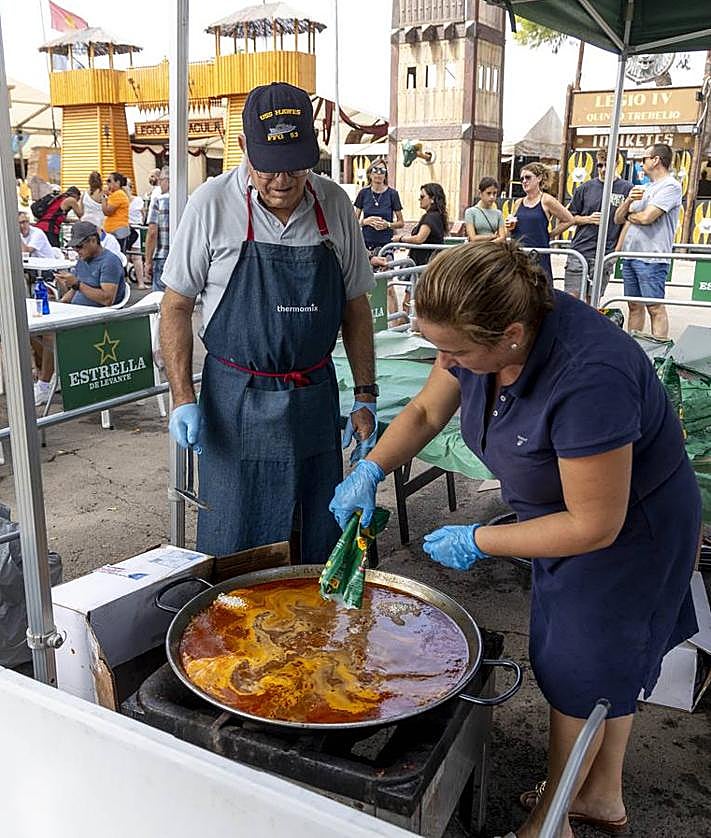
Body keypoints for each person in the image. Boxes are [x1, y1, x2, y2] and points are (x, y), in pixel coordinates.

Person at [329, 240, 700, 838]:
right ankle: (599, 796)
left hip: (629, 530)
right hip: (560, 515)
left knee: (582, 666)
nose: (443, 360)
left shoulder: (589, 376)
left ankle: (549, 824)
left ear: (511, 334)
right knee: (597, 661)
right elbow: (425, 412)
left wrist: (481, 538)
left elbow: (592, 524)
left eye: (454, 351)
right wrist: (370, 469)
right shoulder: (477, 338)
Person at [160, 82, 377, 561]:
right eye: (270, 167)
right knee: (237, 541)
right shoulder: (211, 204)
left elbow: (355, 308)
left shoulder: (335, 205)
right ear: (243, 148)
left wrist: (365, 396)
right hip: (234, 401)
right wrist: (182, 398)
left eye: (296, 166)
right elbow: (175, 305)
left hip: (314, 396)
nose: (283, 181)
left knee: (318, 532)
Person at [32, 222, 125, 405]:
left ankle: (45, 384)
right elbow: (75, 290)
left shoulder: (109, 261)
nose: (76, 251)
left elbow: (107, 298)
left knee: (50, 334)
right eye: (74, 247)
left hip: (99, 321)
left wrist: (76, 284)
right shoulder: (82, 260)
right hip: (77, 314)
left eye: (79, 246)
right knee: (33, 331)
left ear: (93, 241)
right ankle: (50, 377)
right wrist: (61, 302)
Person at [614, 143, 682, 339]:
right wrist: (627, 202)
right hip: (631, 255)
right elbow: (617, 219)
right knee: (634, 306)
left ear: (656, 160)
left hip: (651, 257)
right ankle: (633, 349)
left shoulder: (671, 185)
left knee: (654, 307)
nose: (641, 162)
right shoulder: (643, 187)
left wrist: (630, 216)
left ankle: (657, 353)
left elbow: (646, 218)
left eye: (644, 158)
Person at [561, 148, 632, 299]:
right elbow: (569, 217)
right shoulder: (584, 188)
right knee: (571, 298)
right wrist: (587, 219)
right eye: (600, 165)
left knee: (593, 300)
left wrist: (616, 252)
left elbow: (628, 223)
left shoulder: (627, 189)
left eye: (607, 164)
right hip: (580, 249)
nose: (603, 169)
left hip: (606, 252)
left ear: (617, 164)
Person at [507, 162, 573, 288]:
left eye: (528, 177)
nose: (524, 181)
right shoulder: (518, 202)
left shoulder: (546, 200)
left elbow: (569, 219)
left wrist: (551, 234)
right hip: (519, 255)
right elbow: (513, 226)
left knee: (540, 291)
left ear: (539, 178)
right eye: (522, 179)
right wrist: (510, 227)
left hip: (538, 254)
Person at [353, 159, 404, 255]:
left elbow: (401, 222)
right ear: (370, 174)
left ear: (385, 175)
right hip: (366, 243)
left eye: (382, 171)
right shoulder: (363, 193)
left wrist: (388, 224)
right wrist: (365, 221)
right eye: (375, 170)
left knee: (387, 268)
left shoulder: (392, 194)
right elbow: (354, 222)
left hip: (386, 243)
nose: (379, 174)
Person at [392, 182, 448, 266]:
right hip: (428, 261)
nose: (419, 199)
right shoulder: (437, 216)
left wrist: (400, 239)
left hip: (424, 262)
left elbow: (419, 239)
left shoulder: (430, 217)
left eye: (422, 197)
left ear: (432, 199)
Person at [145, 166, 170, 292]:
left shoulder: (158, 200)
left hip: (162, 255)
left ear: (167, 180)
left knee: (159, 298)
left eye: (161, 180)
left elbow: (152, 232)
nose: (159, 184)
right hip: (180, 256)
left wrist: (148, 261)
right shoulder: (187, 200)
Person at [464, 177, 506, 243]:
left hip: (493, 250)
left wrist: (489, 244)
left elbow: (502, 237)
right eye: (488, 193)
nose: (492, 197)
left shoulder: (498, 213)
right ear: (480, 193)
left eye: (494, 193)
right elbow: (473, 238)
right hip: (475, 250)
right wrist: (492, 237)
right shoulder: (470, 212)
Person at [125, 177, 149, 289]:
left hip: (135, 228)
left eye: (128, 185)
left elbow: (143, 214)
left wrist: (142, 221)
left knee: (136, 256)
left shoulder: (138, 200)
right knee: (124, 255)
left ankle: (141, 282)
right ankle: (125, 280)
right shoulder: (119, 199)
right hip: (124, 228)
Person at [102, 172, 130, 252]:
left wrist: (104, 198)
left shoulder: (118, 195)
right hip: (114, 230)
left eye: (109, 181)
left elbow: (107, 212)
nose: (107, 184)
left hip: (117, 231)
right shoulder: (116, 194)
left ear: (117, 182)